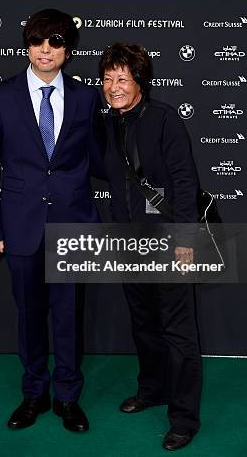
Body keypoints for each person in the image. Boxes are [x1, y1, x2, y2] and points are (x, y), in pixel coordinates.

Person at [0, 8, 104, 433]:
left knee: (68, 315)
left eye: (55, 42)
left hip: (72, 221)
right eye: (37, 41)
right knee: (29, 315)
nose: (45, 50)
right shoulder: (0, 97)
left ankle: (68, 397)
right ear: (27, 46)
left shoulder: (87, 98)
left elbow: (101, 159)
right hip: (20, 225)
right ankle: (34, 393)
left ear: (68, 51)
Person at [99, 42, 202, 451]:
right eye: (107, 79)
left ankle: (184, 418)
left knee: (179, 333)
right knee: (143, 324)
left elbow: (184, 182)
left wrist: (184, 242)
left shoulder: (164, 120)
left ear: (140, 80)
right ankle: (152, 389)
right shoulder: (108, 124)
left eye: (122, 78)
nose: (113, 86)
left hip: (169, 243)